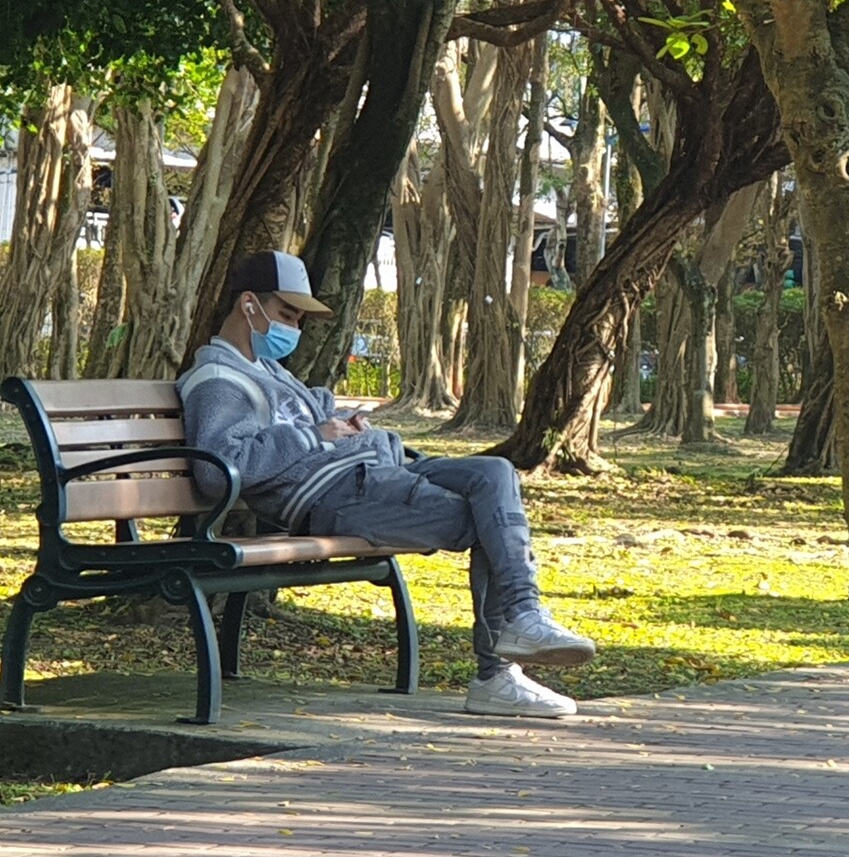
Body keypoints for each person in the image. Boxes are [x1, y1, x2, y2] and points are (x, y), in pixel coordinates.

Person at [177, 251, 597, 717]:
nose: (294, 328)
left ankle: (523, 616)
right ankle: (496, 673)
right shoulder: (218, 379)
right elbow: (216, 471)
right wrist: (314, 435)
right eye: (286, 314)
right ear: (249, 304)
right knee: (489, 521)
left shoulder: (271, 373)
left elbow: (306, 426)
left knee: (495, 473)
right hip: (334, 494)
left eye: (298, 318)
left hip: (377, 473)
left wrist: (341, 423)